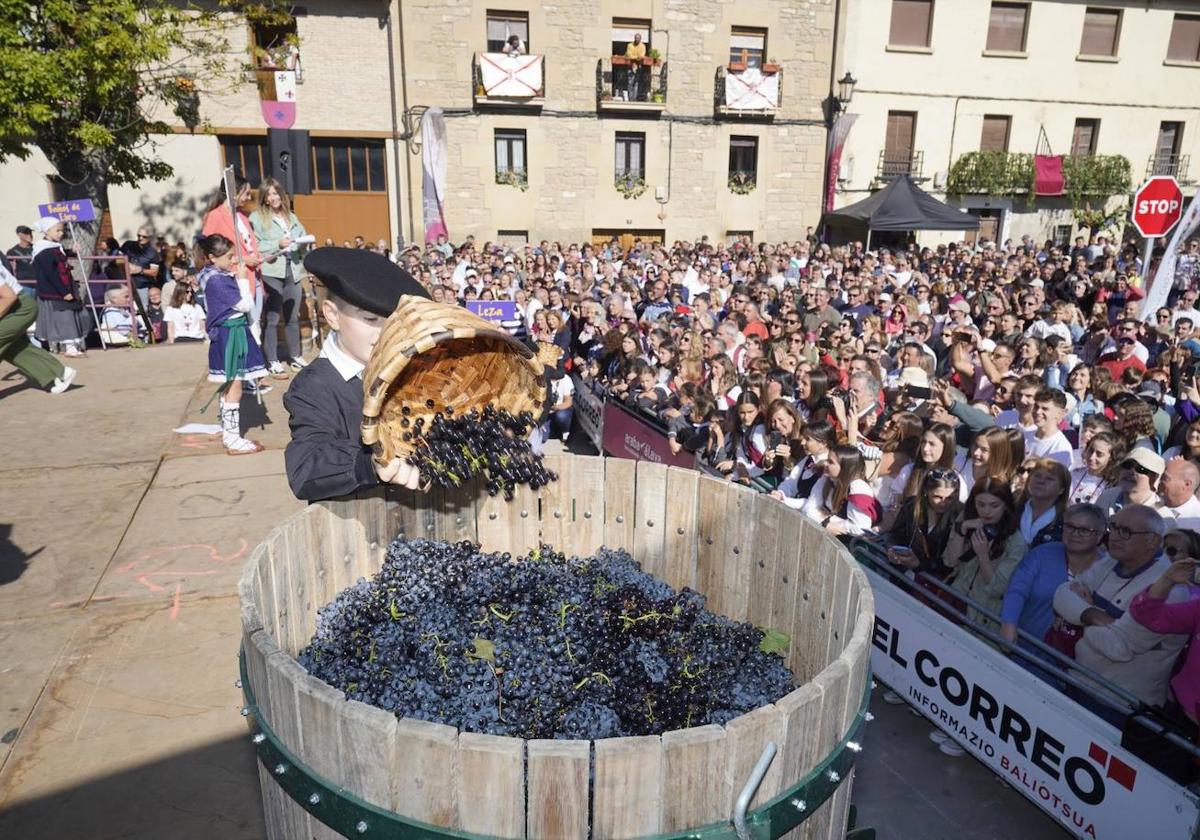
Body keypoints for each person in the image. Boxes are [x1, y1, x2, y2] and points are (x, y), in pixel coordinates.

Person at [284, 248, 428, 501]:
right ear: (332, 315)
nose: (383, 334)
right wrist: (370, 463)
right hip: (354, 527)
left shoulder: (411, 372)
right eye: (370, 319)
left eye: (392, 322)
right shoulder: (315, 386)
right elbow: (305, 467)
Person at [1052, 505, 1188, 709]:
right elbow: (1061, 594)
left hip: (1118, 704)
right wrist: (1093, 614)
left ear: (1152, 541)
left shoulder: (1171, 590)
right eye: (1113, 527)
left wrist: (1081, 614)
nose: (1114, 536)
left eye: (1125, 532)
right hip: (1077, 680)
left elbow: (1118, 648)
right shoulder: (1110, 561)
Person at [196, 233, 269, 455]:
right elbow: (246, 304)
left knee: (229, 385)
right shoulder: (218, 280)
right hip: (231, 336)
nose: (232, 261)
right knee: (234, 386)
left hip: (229, 334)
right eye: (228, 257)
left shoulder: (210, 275)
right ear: (212, 257)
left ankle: (229, 432)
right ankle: (232, 438)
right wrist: (242, 278)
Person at [1000, 503, 1106, 647]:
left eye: (1084, 530)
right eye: (1069, 526)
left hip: (1073, 661)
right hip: (1025, 647)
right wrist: (1009, 623)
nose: (1075, 533)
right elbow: (1017, 590)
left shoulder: (1107, 569)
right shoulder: (1041, 554)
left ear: (1099, 535)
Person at [251, 177, 310, 376]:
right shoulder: (257, 218)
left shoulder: (291, 216)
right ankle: (273, 360)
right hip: (271, 272)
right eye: (270, 194)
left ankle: (295, 356)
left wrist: (303, 243)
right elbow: (254, 246)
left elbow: (302, 236)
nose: (274, 197)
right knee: (272, 318)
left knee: (292, 317)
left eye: (276, 193)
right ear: (265, 198)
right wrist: (278, 244)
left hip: (292, 270)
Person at [0, 258, 76, 393]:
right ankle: (61, 373)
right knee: (14, 349)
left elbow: (8, 297)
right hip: (10, 309)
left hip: (20, 308)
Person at [31, 216, 88, 357]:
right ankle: (68, 346)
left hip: (63, 287)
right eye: (57, 231)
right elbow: (51, 273)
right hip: (55, 290)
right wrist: (63, 292)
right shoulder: (43, 250)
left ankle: (67, 345)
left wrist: (71, 251)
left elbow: (60, 257)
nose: (61, 233)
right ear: (47, 231)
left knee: (68, 315)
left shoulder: (54, 247)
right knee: (64, 317)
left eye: (62, 230)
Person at [799, 445, 880, 536]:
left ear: (845, 468)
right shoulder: (826, 478)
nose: (825, 464)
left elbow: (861, 529)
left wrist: (827, 520)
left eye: (831, 462)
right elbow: (809, 508)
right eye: (827, 459)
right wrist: (826, 521)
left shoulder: (858, 488)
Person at [1096, 448, 1164, 516]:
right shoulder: (1107, 496)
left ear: (1155, 479)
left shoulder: (1163, 517)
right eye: (1127, 465)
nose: (1131, 471)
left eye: (1141, 469)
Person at [120, 226, 161, 308]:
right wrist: (125, 264)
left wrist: (140, 270)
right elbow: (117, 257)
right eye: (139, 235)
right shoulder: (128, 245)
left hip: (141, 287)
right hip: (124, 284)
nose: (140, 238)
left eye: (144, 236)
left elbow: (154, 272)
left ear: (149, 238)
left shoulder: (153, 253)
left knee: (143, 310)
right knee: (124, 309)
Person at [1157, 456, 1200, 530]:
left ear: (1186, 484)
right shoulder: (1153, 501)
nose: (1159, 481)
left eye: (1165, 478)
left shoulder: (1196, 523)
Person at [624, 32, 647, 101]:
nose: (637, 39)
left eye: (638, 38)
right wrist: (636, 57)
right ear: (634, 38)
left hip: (638, 66)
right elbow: (629, 55)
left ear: (640, 39)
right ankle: (630, 98)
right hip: (630, 66)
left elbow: (642, 56)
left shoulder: (642, 46)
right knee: (630, 82)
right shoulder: (630, 45)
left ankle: (634, 98)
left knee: (636, 82)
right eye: (636, 38)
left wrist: (635, 57)